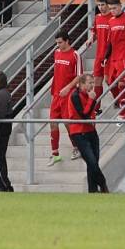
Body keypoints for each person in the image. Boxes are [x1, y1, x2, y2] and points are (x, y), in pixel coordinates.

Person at [68, 74, 108, 193]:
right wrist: (92, 100)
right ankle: (103, 183)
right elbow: (84, 115)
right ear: (81, 84)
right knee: (91, 161)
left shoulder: (89, 95)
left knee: (93, 162)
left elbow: (89, 112)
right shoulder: (75, 96)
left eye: (93, 83)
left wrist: (91, 100)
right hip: (79, 133)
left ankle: (93, 190)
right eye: (89, 83)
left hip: (91, 131)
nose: (92, 85)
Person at [47, 30, 82, 166]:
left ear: (67, 41)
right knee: (53, 123)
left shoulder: (75, 55)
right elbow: (56, 74)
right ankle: (55, 154)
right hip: (56, 95)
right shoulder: (56, 53)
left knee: (68, 123)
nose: (58, 45)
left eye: (60, 42)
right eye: (56, 42)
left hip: (68, 95)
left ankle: (76, 147)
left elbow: (79, 76)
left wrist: (68, 88)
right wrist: (53, 92)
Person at [87, 0, 112, 104]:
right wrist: (91, 39)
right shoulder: (97, 17)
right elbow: (94, 31)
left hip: (110, 55)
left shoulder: (112, 17)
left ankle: (119, 99)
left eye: (103, 5)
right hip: (99, 55)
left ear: (108, 4)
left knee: (109, 80)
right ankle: (97, 108)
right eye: (99, 5)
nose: (101, 7)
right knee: (97, 81)